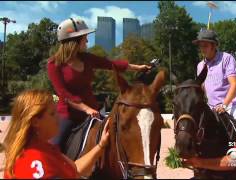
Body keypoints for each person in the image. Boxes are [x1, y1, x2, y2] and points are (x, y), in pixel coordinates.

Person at [47, 18, 151, 149]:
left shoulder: (87, 58)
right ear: (74, 40)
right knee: (54, 147)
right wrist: (86, 109)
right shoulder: (54, 64)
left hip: (93, 112)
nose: (87, 41)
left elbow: (111, 64)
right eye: (85, 37)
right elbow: (63, 93)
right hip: (69, 115)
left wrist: (138, 67)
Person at [4, 89, 110, 178]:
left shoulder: (46, 148)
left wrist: (101, 145)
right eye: (52, 114)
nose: (58, 117)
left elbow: (75, 169)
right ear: (36, 122)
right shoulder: (35, 161)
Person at [193, 29, 236, 129]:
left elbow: (234, 84)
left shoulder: (227, 58)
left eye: (205, 46)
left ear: (214, 45)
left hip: (231, 106)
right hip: (210, 108)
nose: (202, 49)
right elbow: (201, 89)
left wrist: (224, 105)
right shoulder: (200, 66)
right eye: (200, 46)